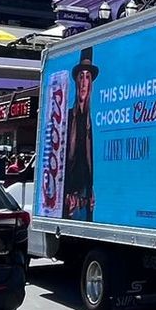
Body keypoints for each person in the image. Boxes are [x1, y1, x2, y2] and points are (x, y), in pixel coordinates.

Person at [63, 48, 99, 221]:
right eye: (81, 76)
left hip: (86, 194)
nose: (84, 82)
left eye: (88, 77)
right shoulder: (69, 117)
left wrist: (91, 188)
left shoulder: (92, 120)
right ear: (76, 80)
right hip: (69, 193)